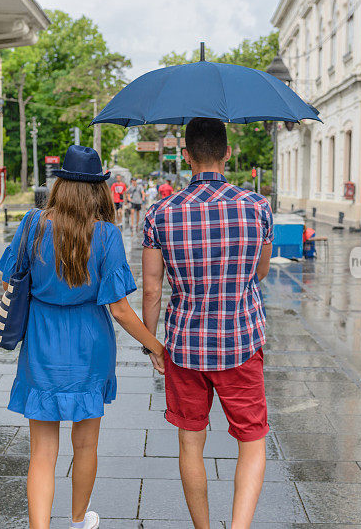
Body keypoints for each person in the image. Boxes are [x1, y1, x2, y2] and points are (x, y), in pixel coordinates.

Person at [0, 145, 165, 529]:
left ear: (59, 186)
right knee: (86, 445)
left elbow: (9, 278)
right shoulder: (105, 234)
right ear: (98, 190)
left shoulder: (32, 223)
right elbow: (120, 309)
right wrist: (155, 346)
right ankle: (77, 521)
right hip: (90, 343)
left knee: (42, 452)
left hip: (42, 341)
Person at [141, 118, 273, 529]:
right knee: (251, 441)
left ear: (186, 157)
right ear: (228, 153)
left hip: (185, 347)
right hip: (241, 343)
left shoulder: (160, 212)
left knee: (190, 442)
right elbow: (261, 273)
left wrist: (151, 344)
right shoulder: (257, 207)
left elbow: (150, 289)